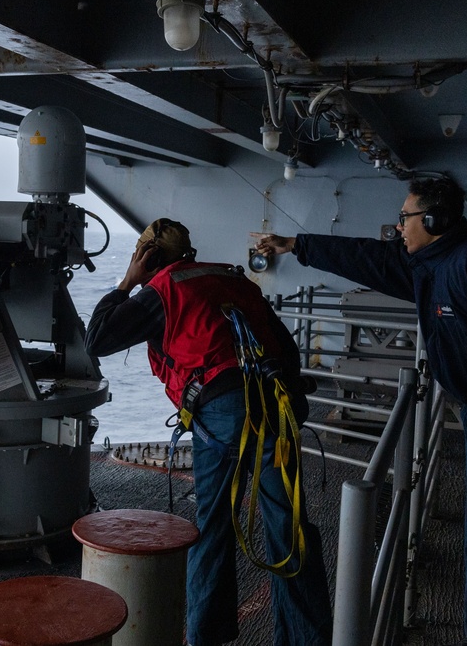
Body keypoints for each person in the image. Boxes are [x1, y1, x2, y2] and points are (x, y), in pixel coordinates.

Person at [252, 177, 467, 646]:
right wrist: (298, 245)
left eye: (406, 218)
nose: (399, 227)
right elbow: (368, 259)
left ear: (434, 221)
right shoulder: (431, 263)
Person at [85, 218, 333, 646]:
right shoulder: (231, 278)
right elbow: (284, 347)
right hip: (275, 404)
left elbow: (98, 338)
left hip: (222, 411)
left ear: (148, 256)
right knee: (288, 525)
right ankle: (306, 639)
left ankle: (207, 635)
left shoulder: (162, 291)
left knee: (213, 525)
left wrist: (128, 281)